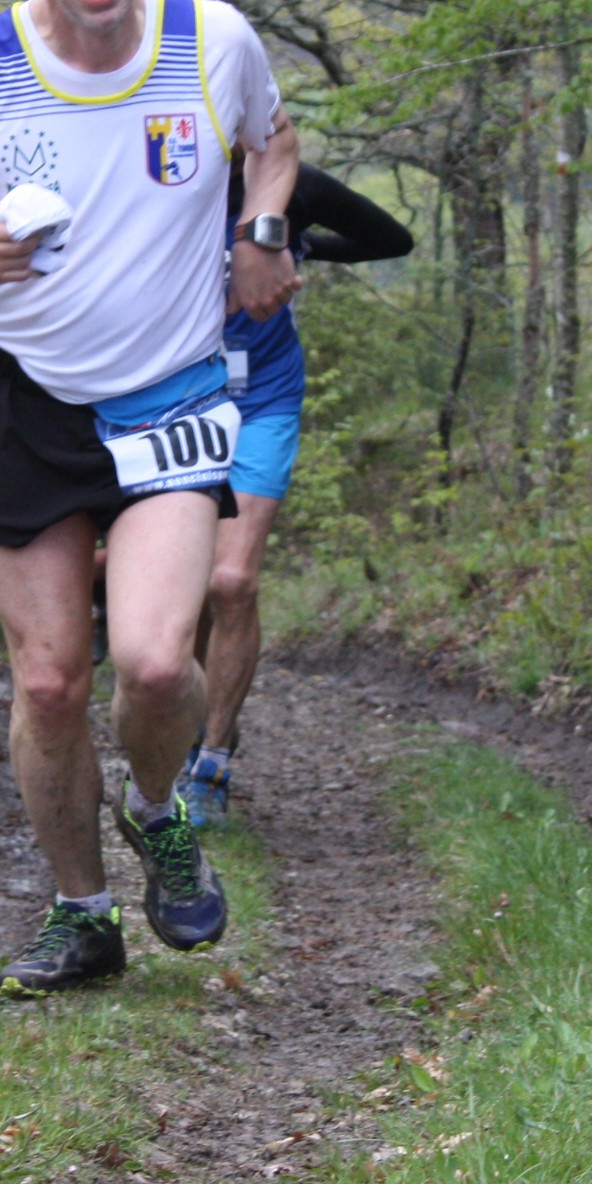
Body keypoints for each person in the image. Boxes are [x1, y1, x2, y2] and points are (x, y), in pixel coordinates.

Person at [0, 0, 300, 997]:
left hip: (168, 400)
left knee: (157, 663)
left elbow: (276, 141)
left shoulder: (214, 42)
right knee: (53, 684)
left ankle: (156, 811)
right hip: (26, 399)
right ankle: (82, 911)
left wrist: (261, 235)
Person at [175, 162, 412, 827]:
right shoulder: (151, 165)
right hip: (170, 396)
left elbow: (391, 240)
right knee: (184, 585)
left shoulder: (290, 186)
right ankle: (187, 734)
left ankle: (214, 762)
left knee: (231, 581)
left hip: (262, 399)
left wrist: (301, 244)